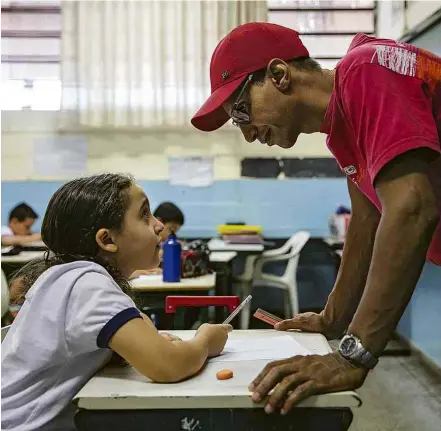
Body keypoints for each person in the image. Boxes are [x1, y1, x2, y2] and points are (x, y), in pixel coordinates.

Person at [191, 22, 441, 414]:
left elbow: (411, 209)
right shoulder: (343, 127)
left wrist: (352, 355)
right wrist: (332, 319)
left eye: (241, 112)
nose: (248, 135)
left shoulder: (365, 71)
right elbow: (365, 222)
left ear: (278, 74)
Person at [1, 173, 231, 431]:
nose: (158, 226)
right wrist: (205, 340)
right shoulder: (86, 284)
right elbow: (168, 365)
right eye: (144, 214)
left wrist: (144, 342)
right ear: (107, 240)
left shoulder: (68, 278)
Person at [129, 201, 185, 279]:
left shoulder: (163, 242)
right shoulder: (141, 239)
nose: (173, 235)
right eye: (171, 229)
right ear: (159, 222)